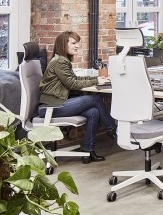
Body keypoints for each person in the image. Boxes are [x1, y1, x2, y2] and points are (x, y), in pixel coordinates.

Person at [39, 31, 117, 162]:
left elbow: (74, 79)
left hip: (57, 104)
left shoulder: (61, 60)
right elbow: (73, 83)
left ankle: (88, 151)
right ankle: (112, 129)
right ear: (63, 45)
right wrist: (96, 81)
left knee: (93, 112)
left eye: (77, 43)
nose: (77, 46)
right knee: (95, 99)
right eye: (73, 43)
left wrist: (97, 79)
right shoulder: (60, 61)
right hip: (50, 107)